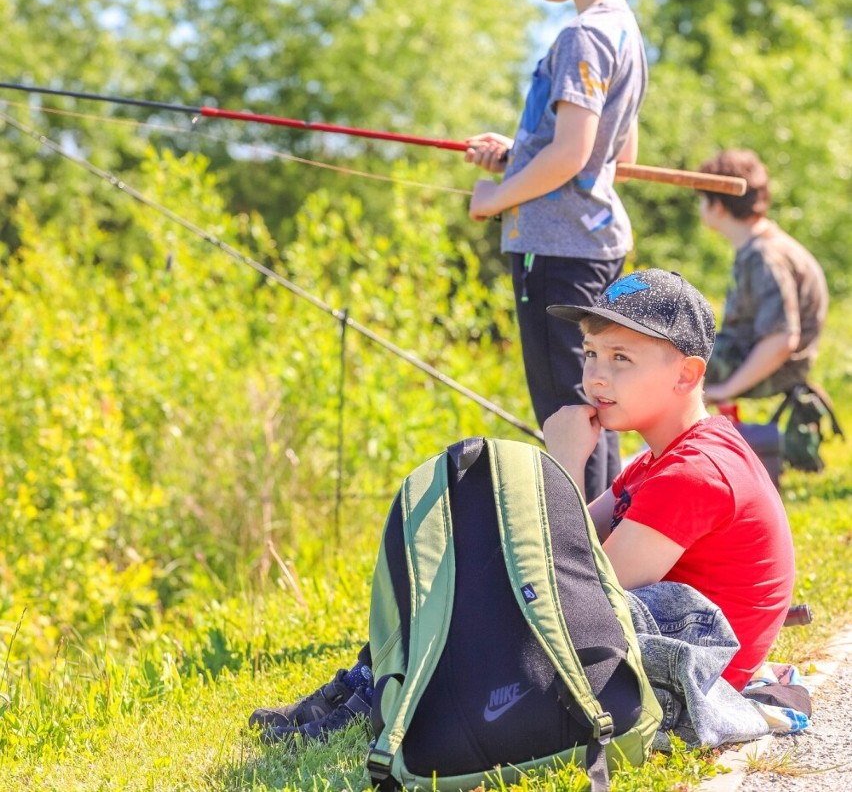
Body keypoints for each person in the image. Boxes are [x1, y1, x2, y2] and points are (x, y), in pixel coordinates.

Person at [249, 269, 795, 743]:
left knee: (500, 594)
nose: (596, 377)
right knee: (482, 550)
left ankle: (385, 697)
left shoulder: (693, 471)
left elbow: (579, 588)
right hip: (648, 648)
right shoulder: (659, 459)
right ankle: (368, 689)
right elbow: (569, 544)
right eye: (590, 354)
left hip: (683, 679)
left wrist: (562, 461)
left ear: (688, 374)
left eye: (621, 358)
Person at [465, 0, 648, 500]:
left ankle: (584, 570)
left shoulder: (581, 34)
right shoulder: (624, 30)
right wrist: (519, 157)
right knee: (599, 407)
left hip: (557, 252)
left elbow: (572, 153)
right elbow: (615, 150)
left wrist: (495, 197)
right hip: (593, 245)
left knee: (570, 418)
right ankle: (608, 555)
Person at [695, 149, 829, 402]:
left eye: (703, 200)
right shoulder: (755, 247)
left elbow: (781, 340)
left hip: (776, 371)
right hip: (748, 355)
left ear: (718, 206)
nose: (701, 207)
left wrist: (724, 391)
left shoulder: (765, 257)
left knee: (668, 363)